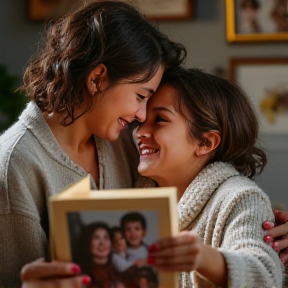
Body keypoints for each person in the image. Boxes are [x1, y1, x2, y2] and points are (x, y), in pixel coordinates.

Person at [0, 0, 186, 287]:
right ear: (97, 78)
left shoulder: (124, 141)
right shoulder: (15, 164)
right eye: (140, 96)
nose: (142, 114)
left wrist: (263, 223)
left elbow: (195, 192)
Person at [135, 68, 283, 287]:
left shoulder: (241, 198)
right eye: (143, 119)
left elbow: (264, 275)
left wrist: (205, 259)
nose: (140, 132)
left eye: (159, 119)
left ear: (206, 143)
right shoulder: (133, 198)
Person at [73, 222, 123, 288]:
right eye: (96, 238)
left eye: (106, 237)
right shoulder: (79, 276)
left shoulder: (121, 271)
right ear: (87, 242)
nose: (102, 243)